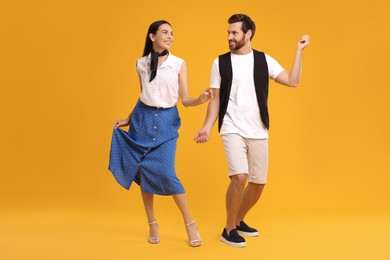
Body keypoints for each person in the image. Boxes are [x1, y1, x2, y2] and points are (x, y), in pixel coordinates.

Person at [194, 14, 310, 247]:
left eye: (234, 33)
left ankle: (238, 221)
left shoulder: (264, 60)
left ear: (248, 35)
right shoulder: (220, 63)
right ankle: (228, 229)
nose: (229, 37)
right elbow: (215, 100)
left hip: (258, 129)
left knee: (258, 183)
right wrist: (206, 127)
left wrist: (298, 51)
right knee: (239, 177)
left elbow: (292, 81)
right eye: (228, 32)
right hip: (231, 127)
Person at [109, 20, 212, 247]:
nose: (170, 37)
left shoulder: (178, 64)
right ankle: (152, 224)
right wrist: (127, 118)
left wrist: (200, 100)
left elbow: (185, 100)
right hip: (142, 121)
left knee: (167, 173)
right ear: (152, 36)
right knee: (144, 173)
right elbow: (143, 95)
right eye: (165, 32)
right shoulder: (141, 64)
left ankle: (189, 224)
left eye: (172, 33)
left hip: (166, 122)